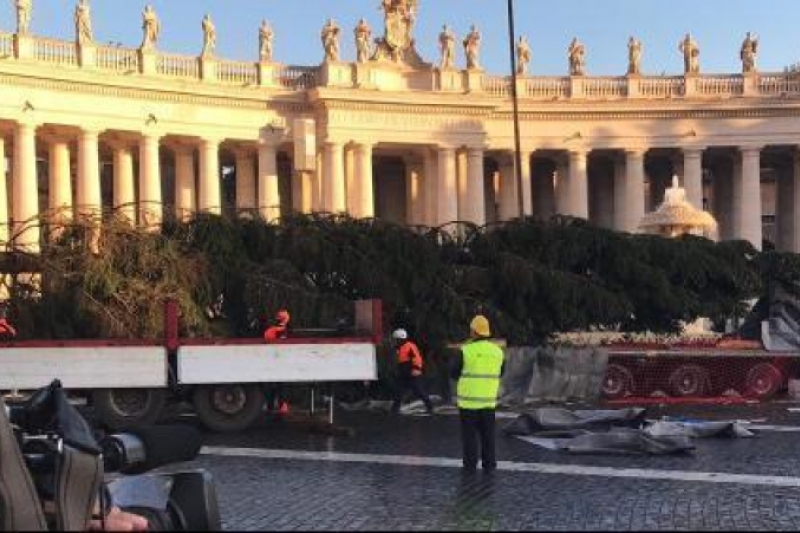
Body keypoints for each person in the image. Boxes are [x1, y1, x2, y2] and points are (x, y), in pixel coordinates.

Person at [451, 315, 504, 473]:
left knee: (470, 437)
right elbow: (501, 372)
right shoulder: (498, 352)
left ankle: (470, 465)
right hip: (488, 403)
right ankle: (489, 464)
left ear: (473, 331)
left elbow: (453, 373)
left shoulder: (465, 351)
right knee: (488, 436)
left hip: (468, 404)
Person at [390, 329, 434, 415]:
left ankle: (430, 407)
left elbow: (416, 358)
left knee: (419, 391)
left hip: (411, 372)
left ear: (400, 339)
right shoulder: (399, 347)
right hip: (403, 372)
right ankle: (394, 409)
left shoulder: (410, 346)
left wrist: (416, 368)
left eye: (396, 339)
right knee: (399, 391)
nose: (395, 341)